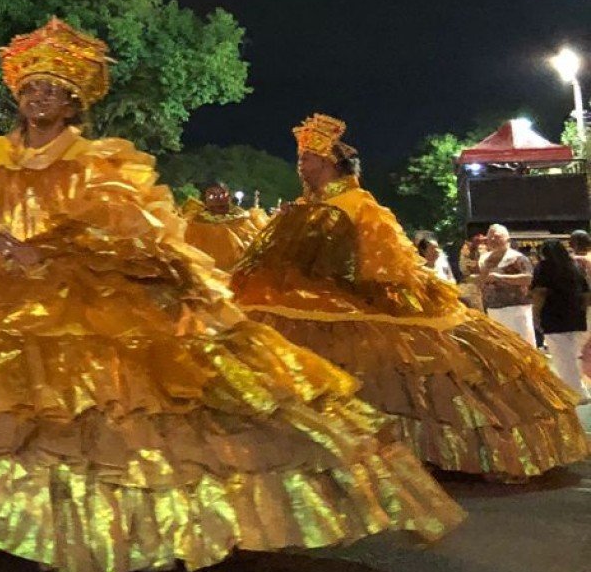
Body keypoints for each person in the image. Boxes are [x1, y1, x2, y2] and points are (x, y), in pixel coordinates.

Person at [0, 21, 462, 572]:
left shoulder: (100, 165)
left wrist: (52, 253)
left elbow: (137, 240)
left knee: (92, 418)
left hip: (77, 295)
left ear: (75, 101)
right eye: (31, 85)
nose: (40, 96)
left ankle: (83, 531)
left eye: (55, 88)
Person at [232, 115, 586, 479]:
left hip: (361, 305)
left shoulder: (356, 206)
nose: (300, 167)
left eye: (305, 159)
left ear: (324, 162)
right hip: (323, 303)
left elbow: (377, 271)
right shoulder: (313, 207)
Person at [531, 239, 590, 427]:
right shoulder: (574, 267)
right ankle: (579, 390)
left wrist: (536, 316)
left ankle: (575, 394)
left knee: (562, 358)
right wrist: (581, 311)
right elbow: (586, 294)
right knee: (573, 355)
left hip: (554, 317)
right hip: (575, 317)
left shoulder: (544, 268)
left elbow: (539, 293)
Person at [176, 180, 262, 270]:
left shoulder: (244, 221)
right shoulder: (194, 221)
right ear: (205, 200)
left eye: (222, 195)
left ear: (229, 197)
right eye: (212, 196)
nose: (218, 199)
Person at [472, 224, 536, 344]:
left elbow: (529, 278)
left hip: (516, 310)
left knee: (522, 347)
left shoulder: (518, 258)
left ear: (507, 239)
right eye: (489, 237)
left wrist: (500, 278)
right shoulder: (484, 259)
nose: (492, 240)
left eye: (496, 237)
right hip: (494, 311)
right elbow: (479, 282)